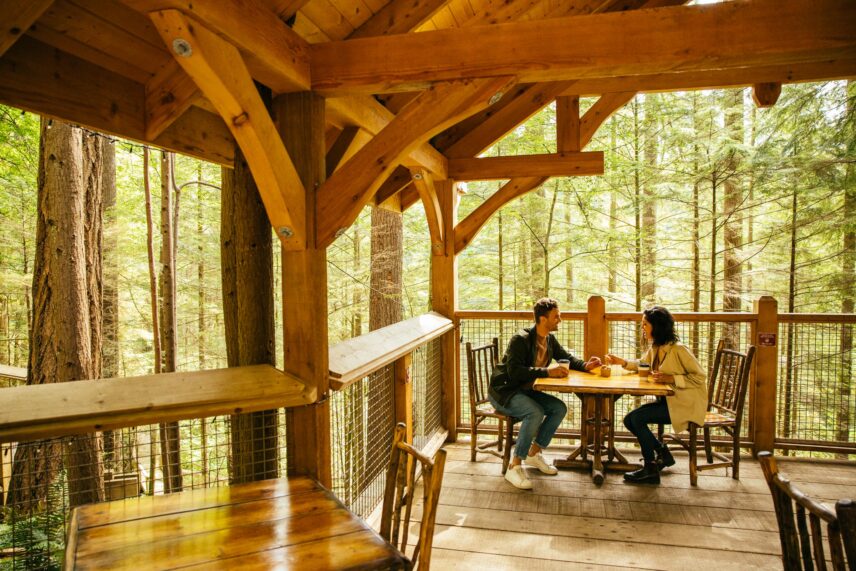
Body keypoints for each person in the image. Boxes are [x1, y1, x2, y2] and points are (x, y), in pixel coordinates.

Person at [489, 297, 602, 490]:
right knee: (535, 412)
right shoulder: (521, 339)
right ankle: (514, 466)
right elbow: (514, 372)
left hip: (525, 391)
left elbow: (566, 358)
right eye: (556, 317)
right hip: (505, 392)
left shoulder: (549, 339)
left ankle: (533, 453)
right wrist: (548, 372)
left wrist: (585, 365)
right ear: (543, 319)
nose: (560, 320)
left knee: (558, 408)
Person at [606, 306, 707, 485]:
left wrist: (671, 378)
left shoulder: (678, 350)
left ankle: (651, 469)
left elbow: (700, 377)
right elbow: (642, 365)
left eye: (645, 324)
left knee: (636, 419)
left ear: (657, 326)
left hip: (686, 404)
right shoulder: (657, 347)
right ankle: (662, 453)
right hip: (669, 402)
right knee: (630, 419)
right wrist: (622, 362)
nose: (642, 328)